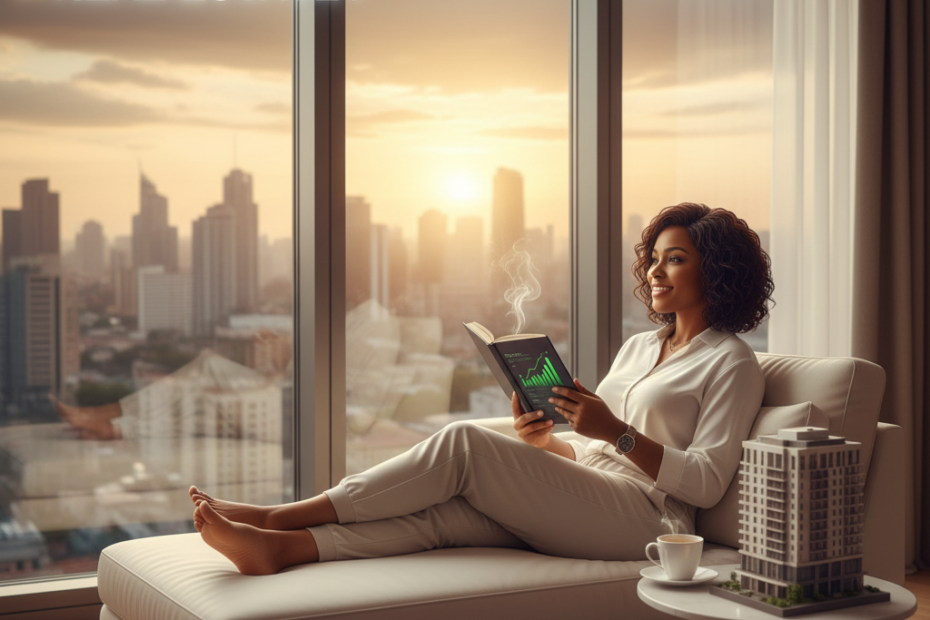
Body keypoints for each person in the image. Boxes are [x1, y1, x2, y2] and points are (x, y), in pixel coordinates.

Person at [188, 202, 775, 576]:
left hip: (650, 521)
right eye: (654, 258)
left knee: (466, 443)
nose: (654, 271)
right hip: (595, 492)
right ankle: (282, 551)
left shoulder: (732, 362)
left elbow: (704, 480)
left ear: (716, 272)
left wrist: (617, 433)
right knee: (447, 516)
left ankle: (280, 517)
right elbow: (588, 449)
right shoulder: (640, 347)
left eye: (675, 260)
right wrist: (547, 442)